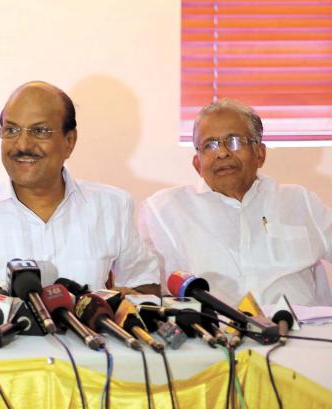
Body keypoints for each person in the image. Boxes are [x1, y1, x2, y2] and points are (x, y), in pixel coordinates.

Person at [0, 81, 159, 315]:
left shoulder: (112, 207)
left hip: (89, 351)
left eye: (40, 131)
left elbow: (145, 286)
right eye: (11, 130)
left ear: (69, 141)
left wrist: (124, 302)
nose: (23, 144)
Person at [139, 99, 332, 306]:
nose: (222, 153)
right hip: (214, 334)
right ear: (197, 163)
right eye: (209, 145)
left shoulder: (299, 201)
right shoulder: (163, 211)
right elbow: (143, 288)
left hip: (305, 334)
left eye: (234, 141)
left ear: (260, 153)